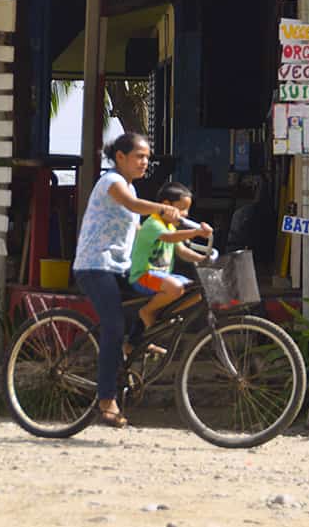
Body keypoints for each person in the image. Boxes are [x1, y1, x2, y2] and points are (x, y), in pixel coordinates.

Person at [73, 132, 182, 428]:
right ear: (120, 157)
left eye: (147, 157)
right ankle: (106, 399)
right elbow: (133, 208)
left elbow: (142, 229)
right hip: (95, 266)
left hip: (120, 266)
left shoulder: (131, 190)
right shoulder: (112, 183)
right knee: (113, 326)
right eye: (139, 156)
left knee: (151, 294)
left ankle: (133, 345)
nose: (145, 162)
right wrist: (161, 207)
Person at [127, 182, 213, 344]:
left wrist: (203, 259)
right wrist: (196, 232)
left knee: (196, 291)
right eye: (182, 209)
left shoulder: (169, 225)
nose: (185, 214)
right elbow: (169, 238)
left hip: (162, 278)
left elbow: (182, 252)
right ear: (166, 206)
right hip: (143, 276)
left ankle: (164, 316)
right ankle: (147, 312)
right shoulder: (154, 224)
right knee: (175, 287)